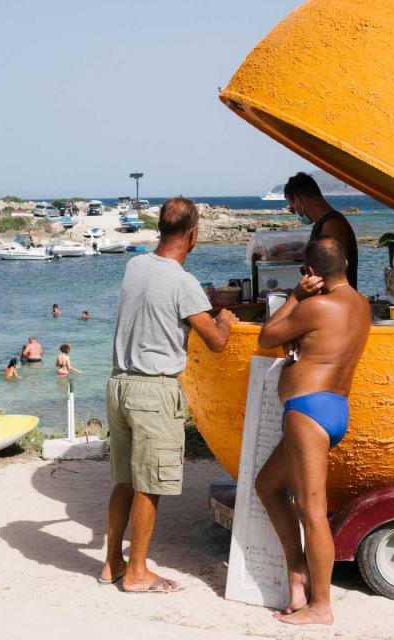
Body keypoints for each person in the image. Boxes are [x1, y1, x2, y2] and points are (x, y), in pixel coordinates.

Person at [101, 196, 239, 593]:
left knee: (125, 481)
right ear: (193, 235)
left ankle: (113, 562)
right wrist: (225, 319)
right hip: (153, 391)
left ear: (161, 228)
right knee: (150, 485)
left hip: (119, 384)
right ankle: (139, 573)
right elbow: (214, 341)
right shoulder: (184, 283)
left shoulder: (135, 264)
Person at [254, 238, 371, 625]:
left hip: (308, 411)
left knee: (312, 512)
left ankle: (321, 607)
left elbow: (267, 335)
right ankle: (298, 571)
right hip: (335, 409)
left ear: (312, 272)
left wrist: (294, 296)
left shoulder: (315, 305)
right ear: (348, 263)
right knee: (267, 486)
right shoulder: (361, 304)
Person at [284, 172, 358, 290]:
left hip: (334, 305)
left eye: (293, 209)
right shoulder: (326, 224)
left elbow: (328, 278)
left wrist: (297, 296)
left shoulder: (331, 226)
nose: (296, 213)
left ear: (298, 200)